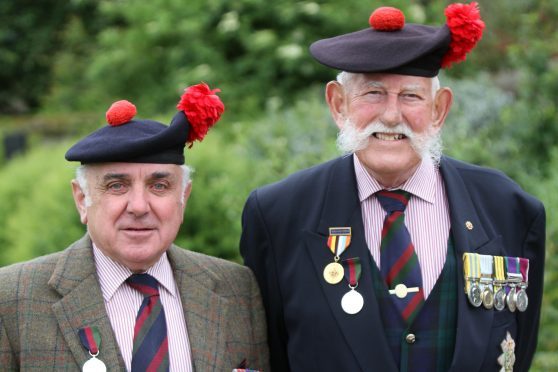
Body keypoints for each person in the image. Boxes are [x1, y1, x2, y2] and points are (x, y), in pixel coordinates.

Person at [240, 3, 545, 372]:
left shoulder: (508, 207)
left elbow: (520, 347)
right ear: (338, 104)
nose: (391, 115)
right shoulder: (278, 214)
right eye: (373, 93)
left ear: (439, 110)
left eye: (411, 96)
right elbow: (268, 353)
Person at [0, 83, 269, 371]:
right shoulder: (12, 298)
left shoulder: (237, 289)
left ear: (183, 198)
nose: (139, 206)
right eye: (117, 186)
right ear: (81, 200)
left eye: (159, 185)